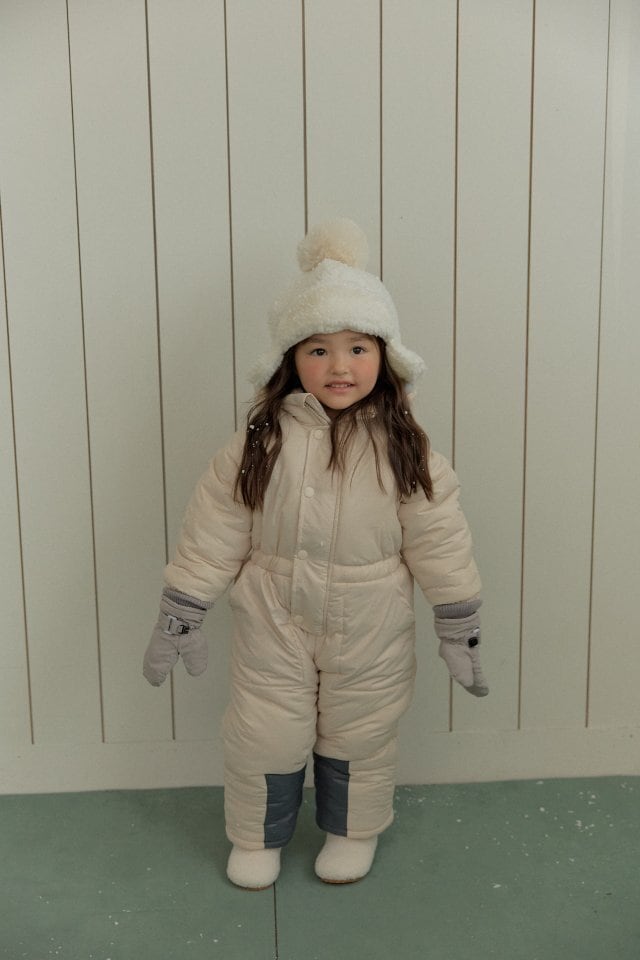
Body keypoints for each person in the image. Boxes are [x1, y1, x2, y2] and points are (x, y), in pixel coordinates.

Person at [143, 218, 488, 890]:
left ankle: (351, 832)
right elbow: (216, 526)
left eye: (358, 348)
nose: (339, 366)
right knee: (265, 731)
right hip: (274, 617)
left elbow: (439, 536)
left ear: (384, 357)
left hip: (371, 622)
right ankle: (256, 838)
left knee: (360, 732)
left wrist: (458, 618)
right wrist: (184, 606)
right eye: (319, 349)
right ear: (290, 360)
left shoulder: (405, 449)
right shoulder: (260, 442)